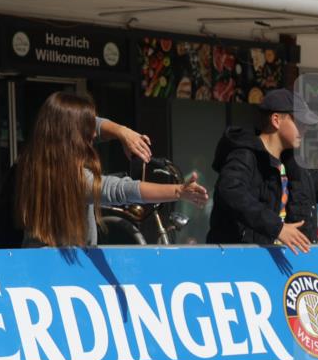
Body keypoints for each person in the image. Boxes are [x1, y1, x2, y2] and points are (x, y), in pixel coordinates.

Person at [12, 92, 207, 247]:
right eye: (86, 130)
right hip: (62, 275)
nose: (93, 136)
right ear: (73, 135)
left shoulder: (34, 162)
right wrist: (178, 191)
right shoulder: (74, 180)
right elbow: (120, 190)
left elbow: (90, 124)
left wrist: (122, 132)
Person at [206, 88, 318, 254]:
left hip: (275, 259)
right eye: (299, 123)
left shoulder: (291, 162)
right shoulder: (245, 155)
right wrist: (277, 228)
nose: (305, 129)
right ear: (276, 120)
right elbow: (230, 190)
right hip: (238, 260)